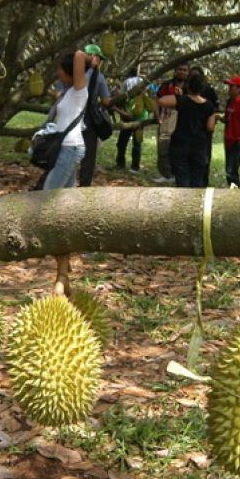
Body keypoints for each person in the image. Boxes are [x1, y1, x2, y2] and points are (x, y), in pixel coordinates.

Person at [44, 50, 88, 296]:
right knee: (64, 205)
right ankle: (63, 269)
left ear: (71, 71)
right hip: (65, 149)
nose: (58, 72)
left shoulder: (80, 89)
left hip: (70, 151)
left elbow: (80, 55)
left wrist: (88, 59)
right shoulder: (70, 92)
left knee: (46, 199)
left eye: (61, 69)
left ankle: (59, 256)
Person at [157, 72, 216, 187]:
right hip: (199, 147)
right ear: (202, 88)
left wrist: (180, 96)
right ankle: (194, 204)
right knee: (197, 182)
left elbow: (162, 100)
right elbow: (210, 127)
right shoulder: (209, 106)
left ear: (188, 86)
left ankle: (183, 203)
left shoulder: (182, 101)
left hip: (180, 146)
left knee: (182, 180)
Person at [78, 44, 111, 187]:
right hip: (88, 119)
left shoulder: (72, 72)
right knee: (88, 155)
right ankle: (84, 186)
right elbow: (105, 100)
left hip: (70, 115)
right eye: (99, 58)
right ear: (94, 57)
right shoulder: (99, 77)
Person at [114, 68, 155, 172]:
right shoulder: (144, 81)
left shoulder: (127, 82)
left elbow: (123, 97)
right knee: (137, 144)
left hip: (131, 115)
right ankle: (135, 167)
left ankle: (120, 164)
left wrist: (116, 107)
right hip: (142, 118)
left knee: (122, 142)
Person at [154, 63, 189, 183]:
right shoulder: (167, 85)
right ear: (175, 71)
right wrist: (157, 116)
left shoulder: (189, 87)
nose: (182, 72)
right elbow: (157, 99)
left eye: (185, 70)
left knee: (178, 149)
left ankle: (176, 174)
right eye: (180, 69)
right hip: (166, 119)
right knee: (163, 147)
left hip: (183, 121)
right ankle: (166, 174)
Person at [191, 66, 220, 186]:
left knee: (204, 158)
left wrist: (212, 119)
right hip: (188, 131)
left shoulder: (209, 90)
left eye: (196, 75)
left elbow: (215, 109)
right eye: (192, 75)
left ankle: (203, 183)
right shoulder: (186, 91)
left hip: (204, 132)